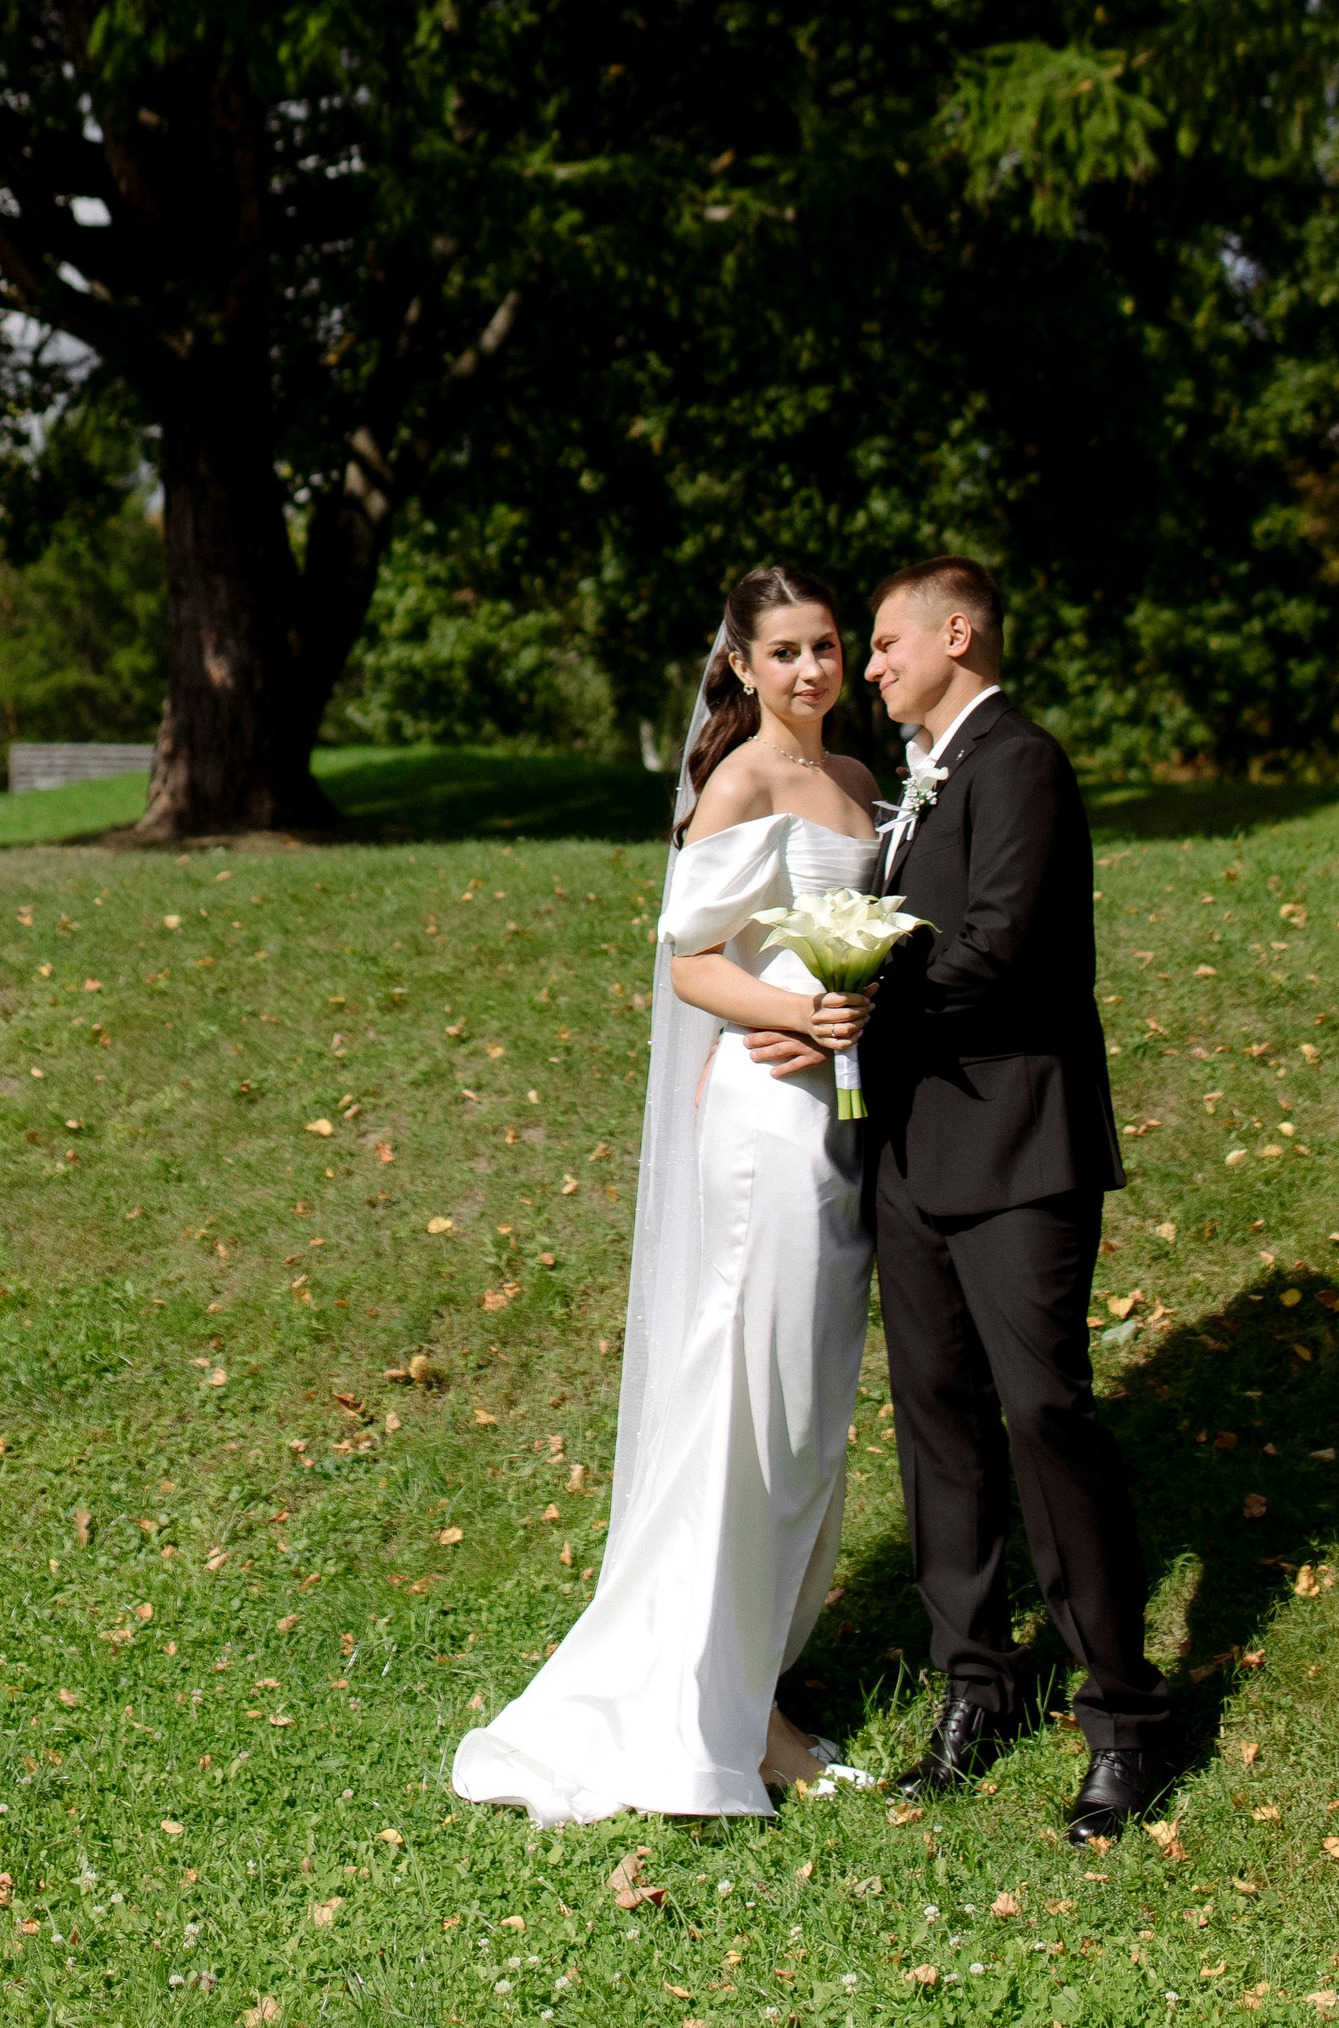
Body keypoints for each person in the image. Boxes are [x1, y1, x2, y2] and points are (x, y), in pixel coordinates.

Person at [450, 561, 883, 1821]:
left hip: (843, 1123)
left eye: (826, 646)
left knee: (804, 1420)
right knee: (748, 1404)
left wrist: (857, 1016)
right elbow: (693, 966)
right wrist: (805, 1011)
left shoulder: (857, 785)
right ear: (740, 667)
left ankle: (750, 1675)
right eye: (785, 652)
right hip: (767, 1123)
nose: (811, 671)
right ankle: (733, 1717)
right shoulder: (741, 781)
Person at [857, 557, 1173, 1842]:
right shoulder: (915, 787)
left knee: (1044, 1413)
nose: (870, 666)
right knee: (936, 1424)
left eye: (885, 643)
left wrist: (854, 992)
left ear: (959, 632)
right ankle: (973, 1687)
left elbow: (1000, 946)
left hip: (1018, 1150)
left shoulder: (1021, 763)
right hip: (910, 1155)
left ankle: (1126, 1718)